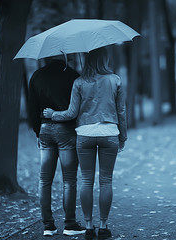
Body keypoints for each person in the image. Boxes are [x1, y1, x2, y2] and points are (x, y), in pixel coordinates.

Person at [43, 47, 127, 240]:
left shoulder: (79, 82)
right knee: (106, 180)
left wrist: (53, 114)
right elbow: (121, 112)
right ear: (105, 60)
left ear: (87, 61)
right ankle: (103, 227)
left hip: (85, 134)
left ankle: (89, 227)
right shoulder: (115, 80)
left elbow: (72, 113)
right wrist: (123, 137)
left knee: (86, 180)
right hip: (109, 133)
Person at [28, 55, 85, 236]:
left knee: (45, 180)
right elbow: (79, 108)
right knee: (69, 180)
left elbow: (32, 108)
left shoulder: (37, 76)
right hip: (67, 131)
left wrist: (38, 132)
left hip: (45, 130)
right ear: (65, 56)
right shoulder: (73, 76)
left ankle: (48, 226)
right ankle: (69, 224)